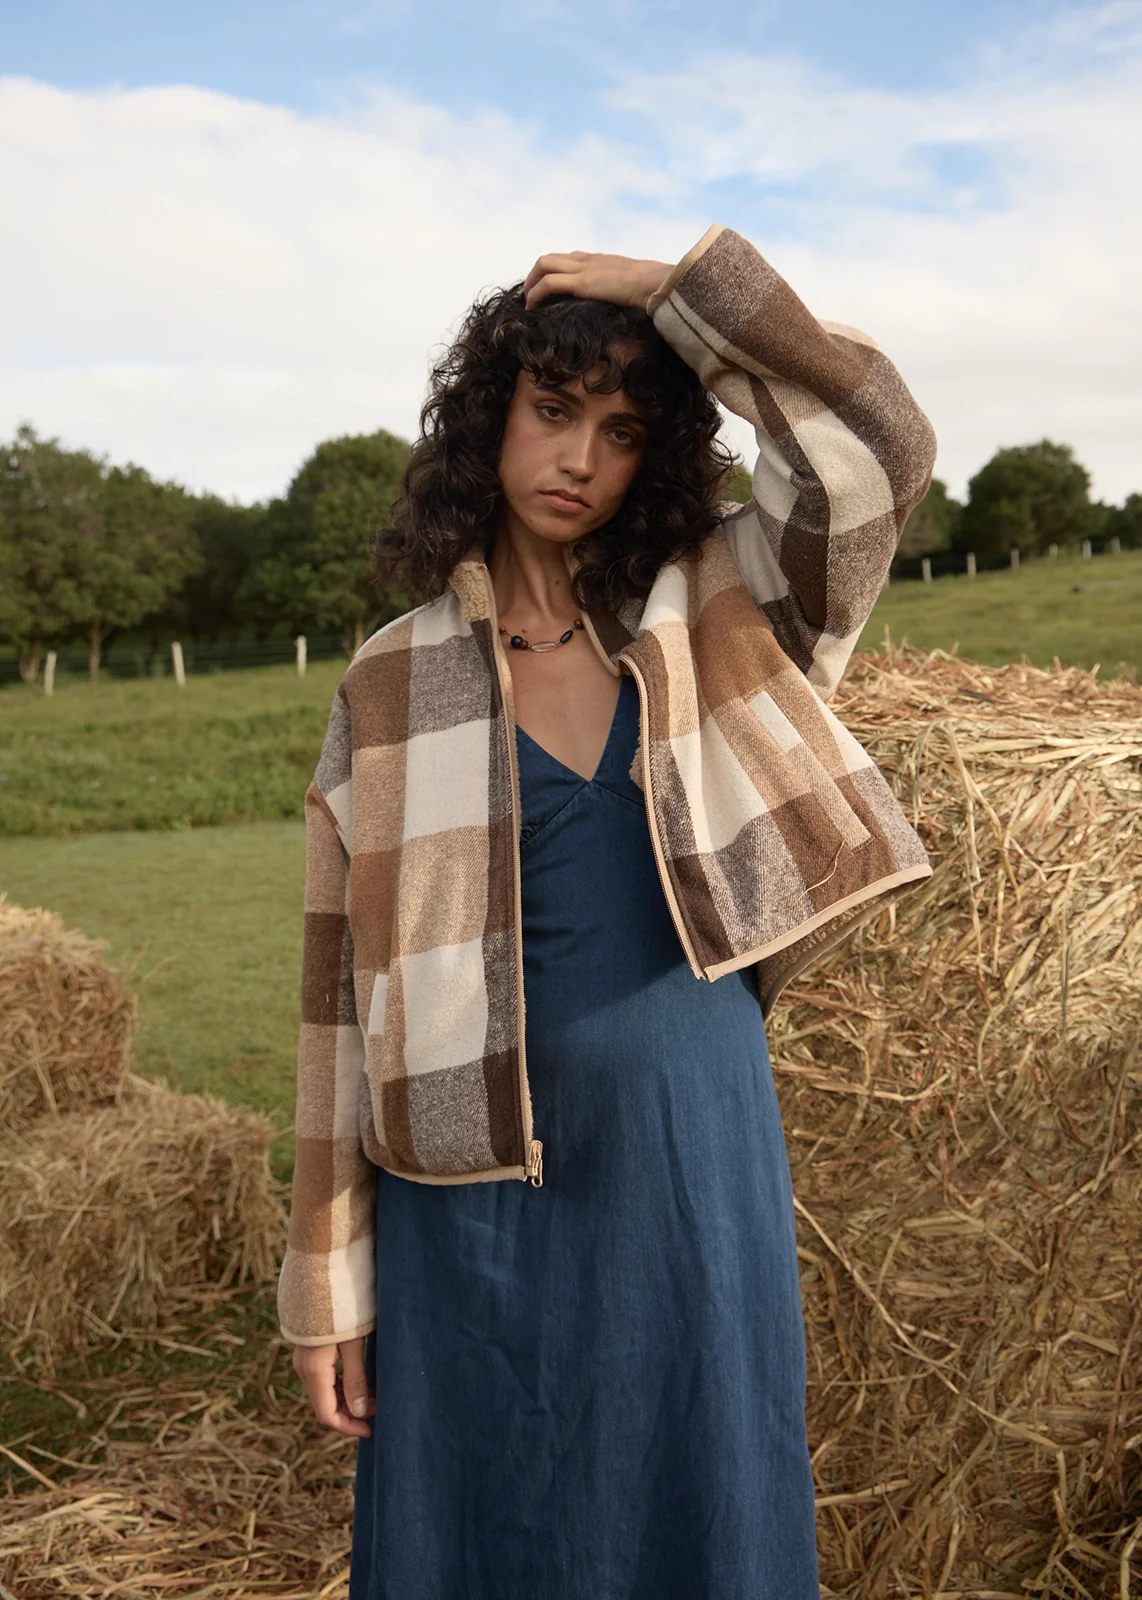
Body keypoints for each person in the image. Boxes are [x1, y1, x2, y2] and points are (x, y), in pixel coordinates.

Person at [278, 224, 936, 1600]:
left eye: (623, 431)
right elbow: (337, 1005)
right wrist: (325, 1285)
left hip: (689, 1159)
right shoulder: (386, 684)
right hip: (464, 1199)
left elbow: (878, 446)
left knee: (705, 1501)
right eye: (553, 409)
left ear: (656, 457)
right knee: (485, 1531)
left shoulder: (727, 606)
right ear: (490, 417)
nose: (578, 457)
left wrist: (675, 294)